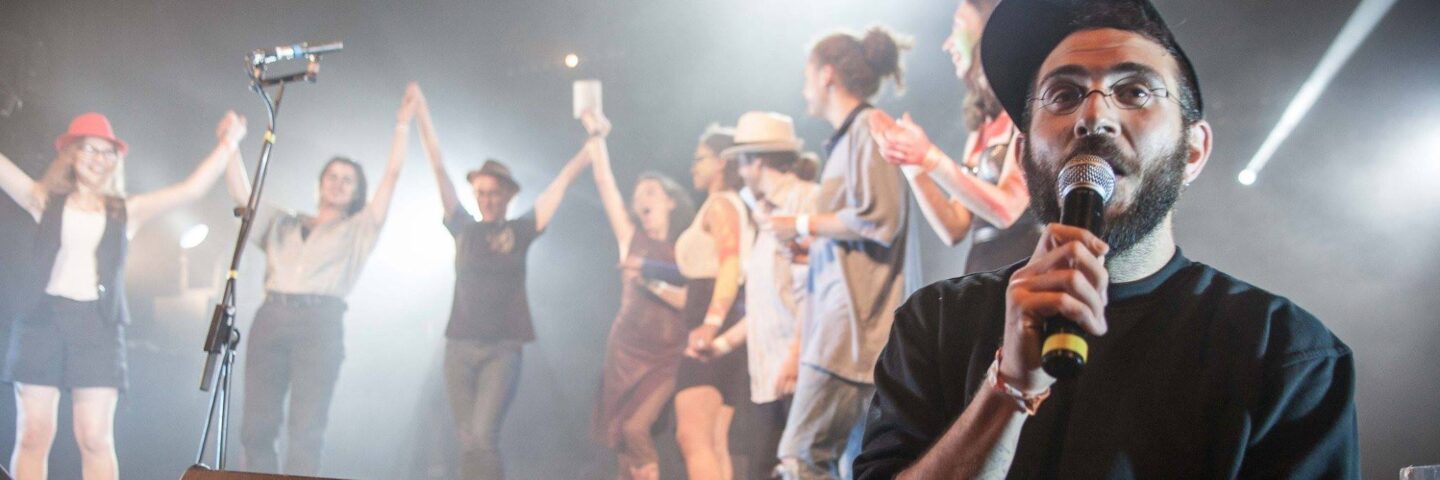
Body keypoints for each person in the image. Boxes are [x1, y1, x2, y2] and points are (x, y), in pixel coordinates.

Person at [855, 0, 1359, 478]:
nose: (1093, 117)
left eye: (1136, 91)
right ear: (1025, 157)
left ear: (1193, 152)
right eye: (1064, 95)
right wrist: (1007, 388)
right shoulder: (935, 325)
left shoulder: (1285, 354)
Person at [0, 110, 247, 479]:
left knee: (95, 438)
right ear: (70, 154)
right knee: (34, 435)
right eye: (89, 150)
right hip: (42, 322)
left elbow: (190, 190)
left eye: (106, 152)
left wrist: (230, 143)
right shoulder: (44, 199)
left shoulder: (125, 211)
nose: (98, 160)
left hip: (97, 326)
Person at [226, 84, 416, 475]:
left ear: (357, 191)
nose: (338, 183)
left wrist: (402, 125)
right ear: (320, 183)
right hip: (272, 314)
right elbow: (245, 198)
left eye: (348, 179)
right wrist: (230, 145)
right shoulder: (285, 222)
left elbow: (393, 176)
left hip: (319, 322)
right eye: (332, 176)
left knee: (306, 429)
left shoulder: (358, 229)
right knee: (257, 430)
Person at [412, 85, 592, 479]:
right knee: (466, 438)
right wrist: (422, 114)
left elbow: (559, 185)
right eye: (480, 193)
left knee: (482, 435)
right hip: (459, 345)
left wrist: (593, 142)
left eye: (493, 193)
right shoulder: (463, 227)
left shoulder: (520, 229)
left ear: (507, 195)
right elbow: (439, 168)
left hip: (502, 348)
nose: (486, 199)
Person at [768, 25, 913, 480]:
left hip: (850, 333)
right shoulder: (849, 138)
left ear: (827, 74)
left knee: (801, 458)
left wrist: (805, 224)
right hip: (837, 330)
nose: (803, 87)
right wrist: (814, 246)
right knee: (853, 466)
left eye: (807, 75)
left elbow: (883, 219)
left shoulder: (869, 129)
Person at [870, 0, 1039, 274]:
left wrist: (929, 157)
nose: (947, 44)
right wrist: (914, 165)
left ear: (990, 34)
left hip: (1025, 271)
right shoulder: (982, 125)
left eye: (958, 27)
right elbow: (954, 227)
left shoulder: (1027, 109)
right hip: (982, 275)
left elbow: (1007, 209)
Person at [583, 111, 697, 480]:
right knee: (621, 440)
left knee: (636, 428)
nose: (640, 198)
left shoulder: (685, 247)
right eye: (638, 195)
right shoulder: (630, 238)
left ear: (670, 202)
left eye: (651, 191)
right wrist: (596, 135)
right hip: (624, 352)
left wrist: (650, 280)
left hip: (665, 356)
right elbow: (604, 182)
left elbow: (690, 300)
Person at [725, 111, 818, 480]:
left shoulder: (805, 202)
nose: (741, 173)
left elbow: (812, 287)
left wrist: (795, 355)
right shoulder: (762, 214)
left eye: (742, 163)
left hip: (797, 368)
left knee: (801, 468)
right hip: (769, 372)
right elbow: (766, 302)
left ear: (757, 161)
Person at [671, 123, 755, 480]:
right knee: (714, 440)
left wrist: (710, 322)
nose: (693, 166)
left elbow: (730, 264)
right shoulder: (730, 204)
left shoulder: (721, 204)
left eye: (699, 158)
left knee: (693, 436)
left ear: (721, 162)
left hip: (713, 320)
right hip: (721, 318)